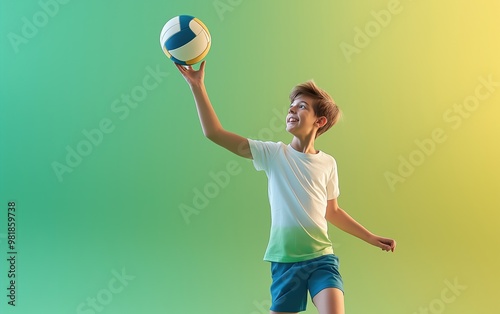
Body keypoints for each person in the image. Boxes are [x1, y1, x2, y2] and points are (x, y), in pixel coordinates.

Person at [175, 61, 396, 314]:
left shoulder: (328, 163)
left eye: (302, 106)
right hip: (285, 262)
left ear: (320, 121)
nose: (292, 109)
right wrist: (197, 85)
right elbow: (214, 133)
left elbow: (332, 211)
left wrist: (370, 237)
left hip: (322, 259)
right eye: (291, 105)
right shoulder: (272, 154)